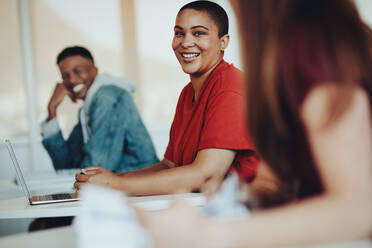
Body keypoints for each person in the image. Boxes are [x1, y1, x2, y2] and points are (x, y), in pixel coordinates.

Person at [137, 0, 372, 247]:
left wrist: (210, 234)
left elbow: (358, 209)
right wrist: (237, 199)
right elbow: (274, 182)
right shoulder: (276, 58)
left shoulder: (315, 45)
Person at [74, 1, 258, 195]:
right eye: (179, 33)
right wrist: (114, 178)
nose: (185, 42)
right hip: (204, 206)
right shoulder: (188, 93)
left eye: (199, 33)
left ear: (223, 42)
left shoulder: (230, 86)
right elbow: (169, 165)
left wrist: (114, 186)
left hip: (246, 213)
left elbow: (207, 174)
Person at [41, 46, 159, 173]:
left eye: (78, 71)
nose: (72, 80)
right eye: (65, 76)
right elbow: (65, 165)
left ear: (95, 71)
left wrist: (79, 174)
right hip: (122, 187)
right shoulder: (86, 110)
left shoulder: (107, 97)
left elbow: (97, 169)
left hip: (144, 187)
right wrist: (51, 109)